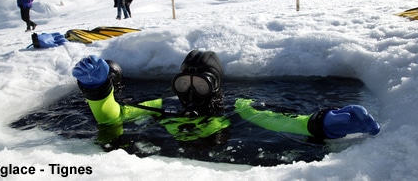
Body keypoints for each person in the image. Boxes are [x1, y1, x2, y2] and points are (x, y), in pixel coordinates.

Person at [72, 50, 381, 144]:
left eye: (201, 86)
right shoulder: (163, 107)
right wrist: (99, 91)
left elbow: (282, 120)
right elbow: (113, 118)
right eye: (183, 85)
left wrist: (324, 123)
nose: (190, 94)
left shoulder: (238, 107)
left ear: (216, 87)